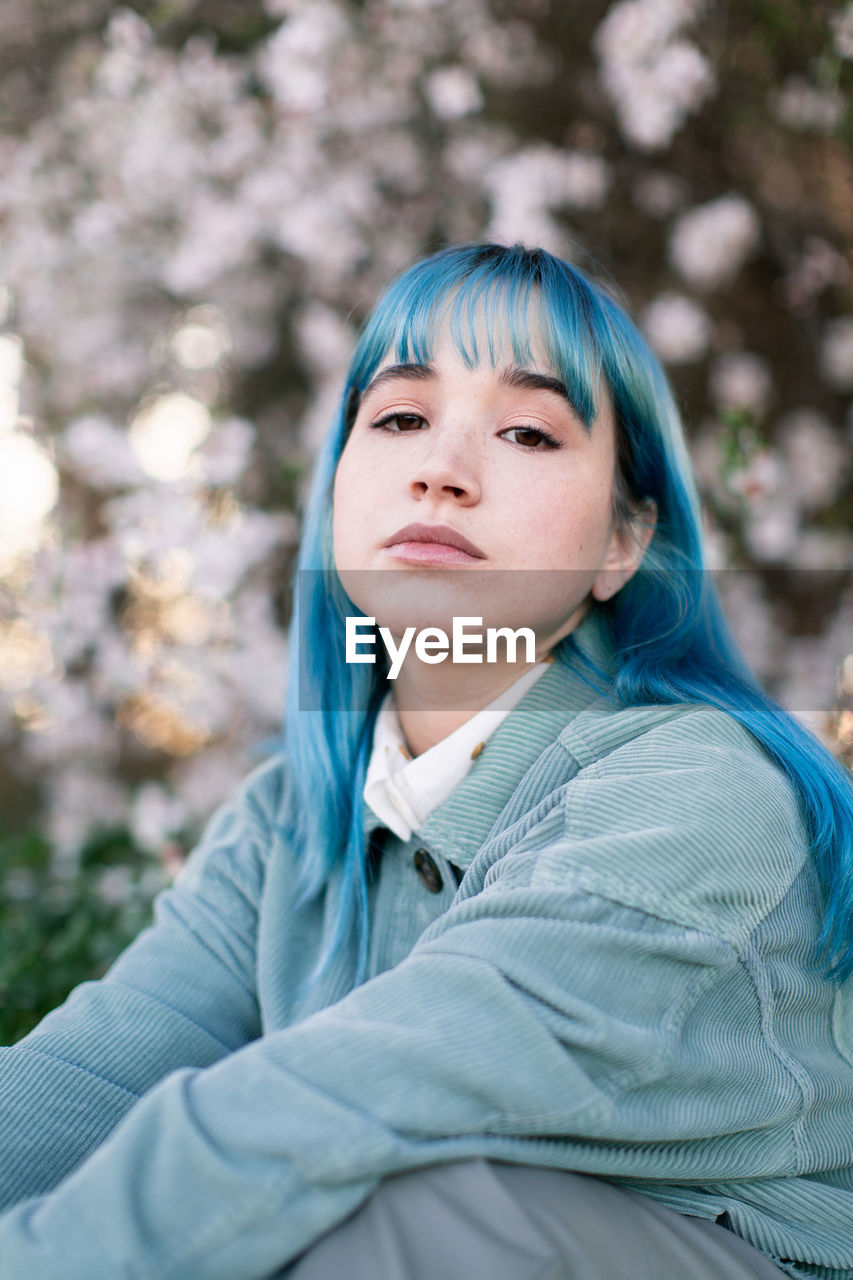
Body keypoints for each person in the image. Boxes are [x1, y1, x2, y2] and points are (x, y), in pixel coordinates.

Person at [1, 242, 852, 1280]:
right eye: (399, 416)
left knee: (397, 1215)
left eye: (528, 430)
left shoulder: (690, 794)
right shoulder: (290, 815)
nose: (440, 469)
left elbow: (355, 1098)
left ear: (620, 543)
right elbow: (97, 1074)